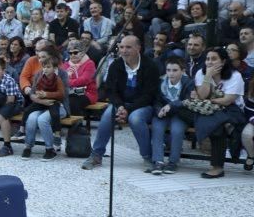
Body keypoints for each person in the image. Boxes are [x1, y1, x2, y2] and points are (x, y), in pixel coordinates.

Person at [82, 36, 159, 171]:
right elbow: (111, 91)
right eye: (121, 47)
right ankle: (96, 155)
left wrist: (128, 109)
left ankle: (147, 156)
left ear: (138, 48)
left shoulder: (150, 66)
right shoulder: (116, 65)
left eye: (128, 47)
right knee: (107, 116)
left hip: (142, 105)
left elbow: (149, 94)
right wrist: (120, 106)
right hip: (121, 104)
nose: (124, 50)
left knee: (135, 119)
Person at [176, 47, 246, 179]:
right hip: (207, 108)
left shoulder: (235, 76)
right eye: (207, 59)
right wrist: (208, 76)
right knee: (181, 109)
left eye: (214, 59)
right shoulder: (201, 73)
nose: (209, 62)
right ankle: (225, 126)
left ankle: (217, 167)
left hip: (231, 110)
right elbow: (202, 96)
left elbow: (227, 100)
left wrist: (207, 100)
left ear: (223, 61)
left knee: (216, 127)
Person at [149, 57, 194, 175]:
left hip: (180, 113)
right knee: (157, 129)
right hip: (164, 113)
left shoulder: (188, 82)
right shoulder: (161, 82)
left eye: (175, 70)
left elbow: (188, 100)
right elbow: (157, 100)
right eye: (168, 70)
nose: (171, 73)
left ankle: (173, 162)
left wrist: (172, 105)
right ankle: (157, 161)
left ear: (182, 71)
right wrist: (159, 110)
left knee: (177, 131)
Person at [21, 56, 65, 161]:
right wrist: (40, 96)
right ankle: (28, 146)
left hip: (56, 104)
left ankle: (50, 149)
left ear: (54, 68)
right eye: (44, 67)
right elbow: (33, 92)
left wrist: (46, 94)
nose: (45, 69)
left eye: (48, 67)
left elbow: (61, 94)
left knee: (42, 120)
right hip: (42, 103)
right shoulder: (40, 76)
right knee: (31, 118)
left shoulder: (59, 78)